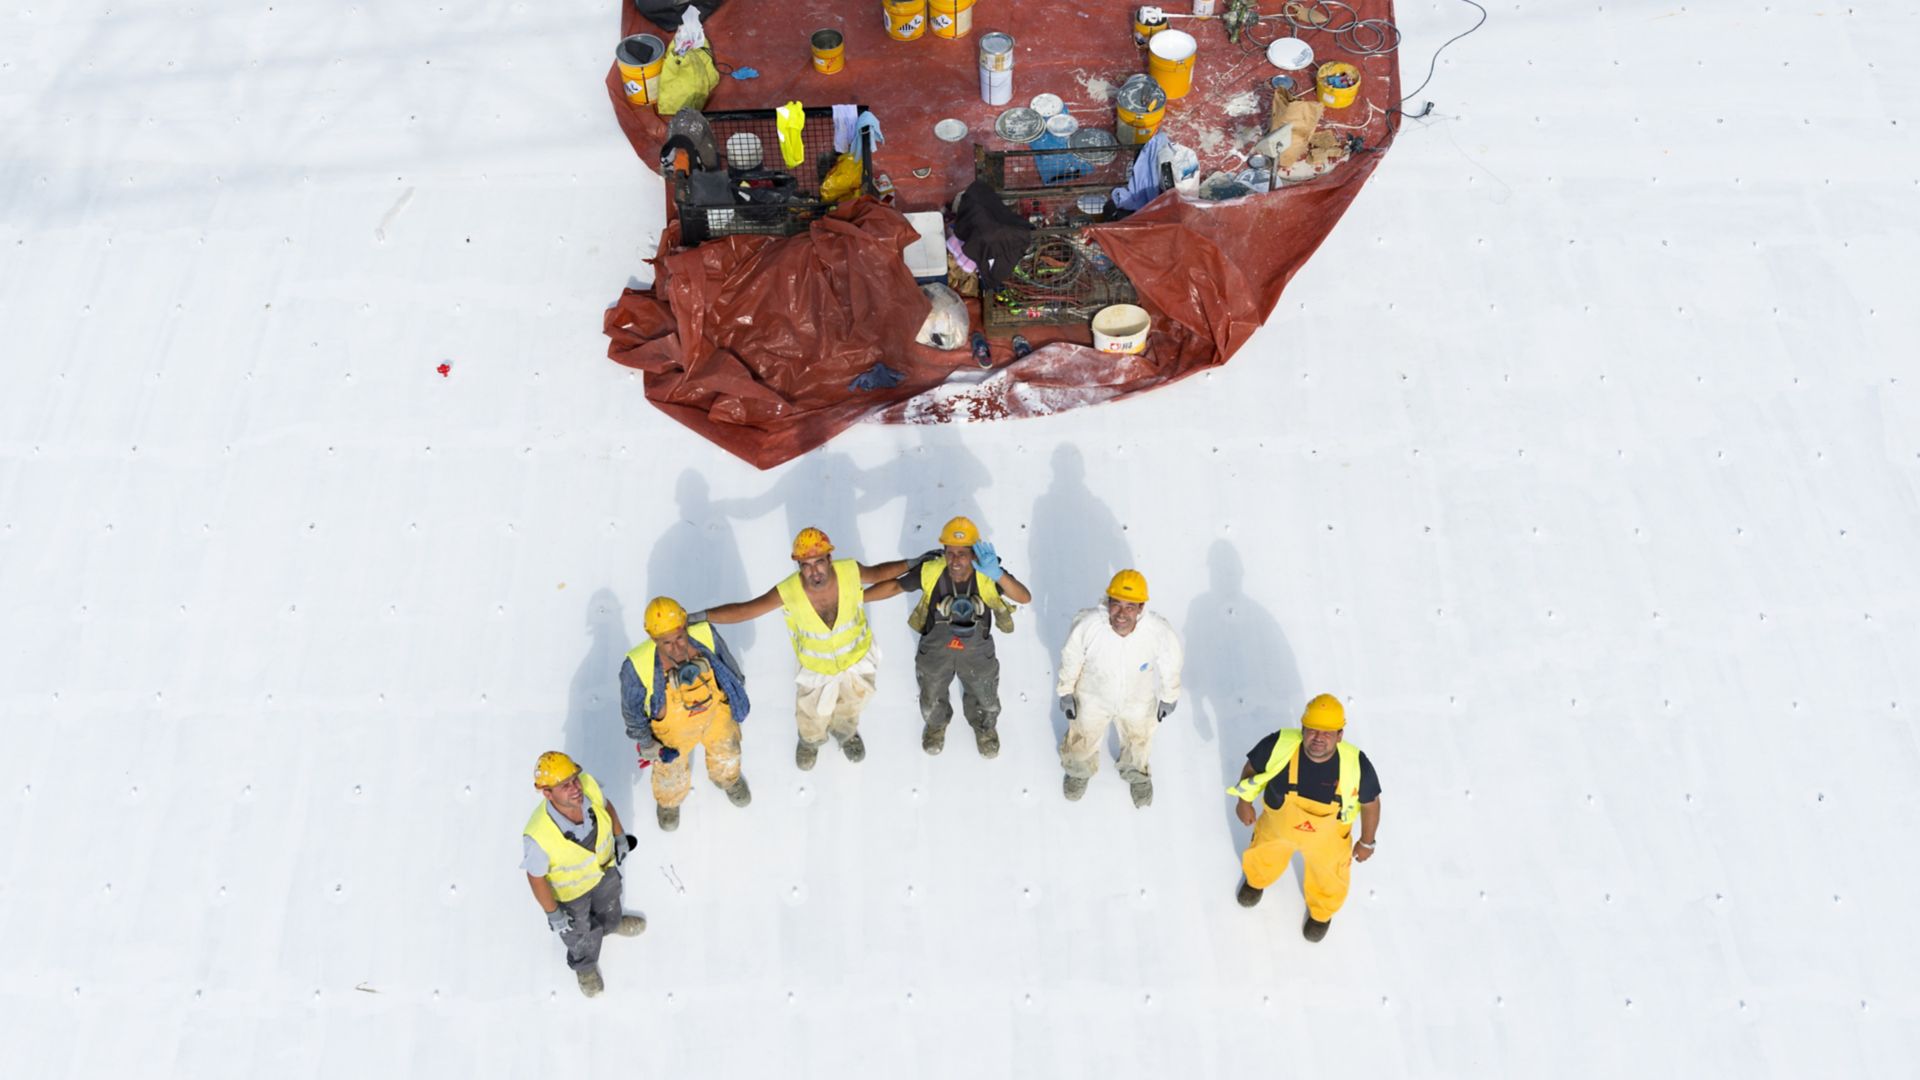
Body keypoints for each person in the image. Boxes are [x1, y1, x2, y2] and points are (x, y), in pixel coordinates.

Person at [697, 528, 909, 770]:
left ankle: (846, 733)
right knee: (811, 715)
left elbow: (879, 573)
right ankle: (810, 740)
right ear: (798, 565)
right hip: (816, 671)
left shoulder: (850, 570)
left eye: (819, 562)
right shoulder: (789, 592)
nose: (814, 571)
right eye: (805, 565)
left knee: (851, 706)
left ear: (830, 559)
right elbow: (746, 610)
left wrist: (911, 563)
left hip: (857, 662)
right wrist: (704, 616)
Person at [864, 516, 1032, 758]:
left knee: (985, 695)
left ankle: (984, 728)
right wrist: (857, 598)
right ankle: (936, 724)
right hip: (935, 649)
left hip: (977, 653)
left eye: (962, 553)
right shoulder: (931, 571)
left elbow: (1024, 597)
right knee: (931, 692)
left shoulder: (987, 572)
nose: (955, 560)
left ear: (974, 554)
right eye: (949, 552)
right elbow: (894, 586)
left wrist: (997, 575)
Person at [1227, 694, 1382, 942]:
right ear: (1303, 728)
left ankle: (1321, 914)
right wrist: (1243, 801)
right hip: (1277, 828)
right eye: (1312, 730)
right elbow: (1252, 768)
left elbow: (1371, 803)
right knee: (1263, 853)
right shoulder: (1279, 744)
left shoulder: (1356, 764)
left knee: (1329, 877)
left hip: (1328, 843)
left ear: (1340, 735)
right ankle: (1256, 881)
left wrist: (1367, 842)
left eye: (1327, 732)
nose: (1318, 738)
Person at [619, 596, 753, 831]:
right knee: (669, 773)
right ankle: (670, 802)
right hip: (672, 732)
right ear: (653, 638)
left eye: (680, 637)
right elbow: (632, 713)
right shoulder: (636, 665)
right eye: (666, 643)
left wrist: (736, 695)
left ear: (684, 625)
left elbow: (729, 665)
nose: (677, 647)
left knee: (727, 750)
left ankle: (728, 779)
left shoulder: (704, 634)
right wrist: (648, 745)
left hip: (715, 715)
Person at [521, 751, 647, 997]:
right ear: (547, 793)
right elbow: (535, 878)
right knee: (578, 932)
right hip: (571, 894)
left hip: (603, 871)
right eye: (564, 786)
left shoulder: (587, 787)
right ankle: (585, 966)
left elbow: (605, 804)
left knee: (610, 904)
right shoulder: (538, 835)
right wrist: (553, 914)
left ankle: (611, 924)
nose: (575, 788)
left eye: (575, 779)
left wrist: (619, 836)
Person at [1055, 569, 1184, 807]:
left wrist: (1169, 696)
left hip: (1137, 700)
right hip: (1093, 696)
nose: (1121, 614)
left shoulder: (1157, 631)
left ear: (1141, 608)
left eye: (1130, 606)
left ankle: (1136, 775)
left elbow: (1171, 662)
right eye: (1116, 604)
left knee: (1139, 740)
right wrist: (1066, 691)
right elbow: (1071, 657)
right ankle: (1078, 772)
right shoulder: (1089, 625)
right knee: (1082, 737)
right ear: (1108, 601)